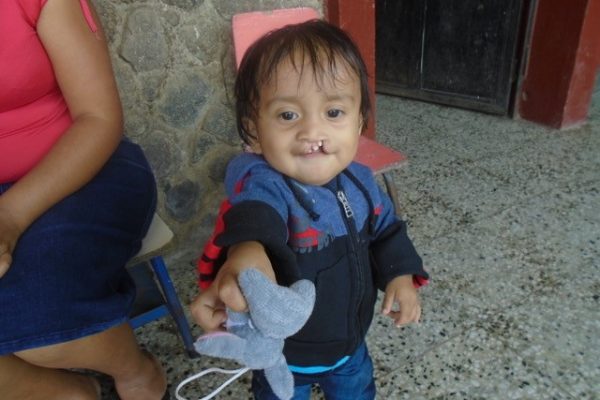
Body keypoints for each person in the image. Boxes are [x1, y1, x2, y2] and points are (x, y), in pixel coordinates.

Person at [190, 19, 429, 399]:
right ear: (253, 128)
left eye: (333, 113)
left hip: (351, 345)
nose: (312, 131)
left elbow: (386, 230)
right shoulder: (265, 184)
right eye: (288, 115)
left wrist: (401, 275)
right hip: (283, 357)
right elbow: (255, 218)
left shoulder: (362, 182)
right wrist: (247, 251)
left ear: (360, 122)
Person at [0, 0, 168, 399]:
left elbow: (98, 117)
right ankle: (66, 392)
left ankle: (136, 372)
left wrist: (9, 215)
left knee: (33, 320)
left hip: (81, 169)